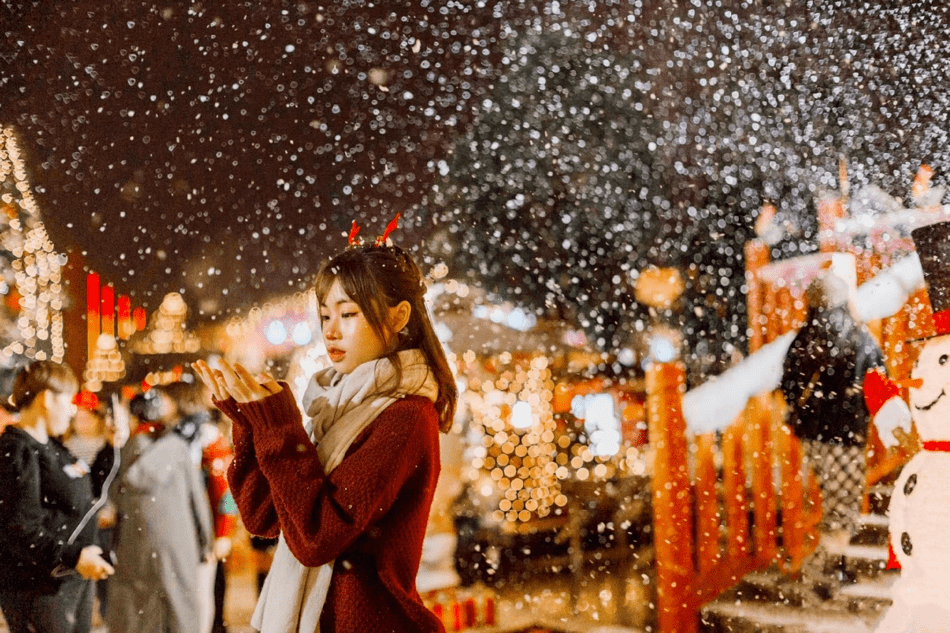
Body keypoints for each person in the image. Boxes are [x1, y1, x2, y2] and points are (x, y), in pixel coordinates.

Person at [193, 226, 458, 633]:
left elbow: (318, 535)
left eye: (349, 314)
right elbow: (264, 516)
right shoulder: (333, 409)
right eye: (325, 315)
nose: (331, 330)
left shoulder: (405, 416)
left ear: (399, 316)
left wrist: (278, 424)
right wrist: (249, 421)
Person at [780, 272, 886, 593]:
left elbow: (788, 387)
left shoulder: (802, 339)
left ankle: (832, 561)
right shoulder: (858, 336)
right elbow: (878, 380)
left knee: (831, 493)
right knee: (846, 498)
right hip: (847, 432)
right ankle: (835, 564)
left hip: (813, 434)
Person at [0, 360, 115, 633]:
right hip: (38, 589)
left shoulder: (52, 447)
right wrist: (73, 556)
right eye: (69, 400)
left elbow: (87, 489)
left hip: (70, 582)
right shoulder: (17, 451)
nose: (73, 410)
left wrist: (111, 447)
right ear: (48, 399)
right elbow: (20, 529)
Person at [106, 383, 214, 633]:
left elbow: (224, 491)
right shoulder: (161, 438)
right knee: (181, 603)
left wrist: (225, 528)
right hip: (181, 532)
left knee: (198, 604)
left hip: (191, 533)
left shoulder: (206, 439)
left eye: (162, 398)